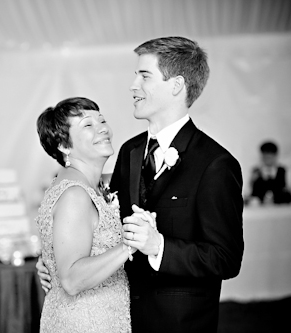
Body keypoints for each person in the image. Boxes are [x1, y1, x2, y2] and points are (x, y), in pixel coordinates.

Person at [37, 37, 244, 333]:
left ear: (176, 85)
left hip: (178, 324)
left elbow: (226, 259)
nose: (133, 85)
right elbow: (100, 224)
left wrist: (158, 246)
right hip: (119, 318)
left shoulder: (215, 164)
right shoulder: (130, 151)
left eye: (144, 75)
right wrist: (55, 258)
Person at [35, 97, 132, 332]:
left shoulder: (87, 185)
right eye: (88, 125)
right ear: (64, 146)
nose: (103, 129)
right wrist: (130, 245)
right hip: (85, 323)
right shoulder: (75, 195)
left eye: (102, 120)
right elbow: (70, 279)